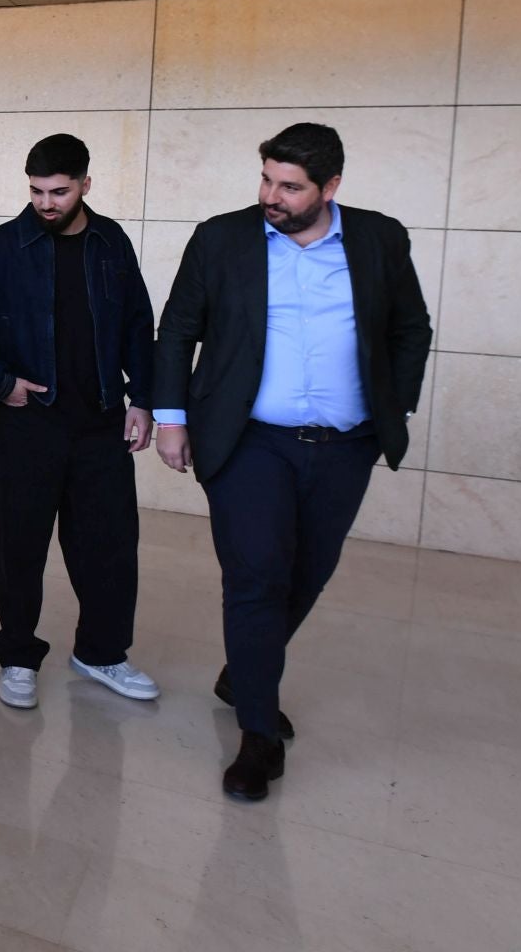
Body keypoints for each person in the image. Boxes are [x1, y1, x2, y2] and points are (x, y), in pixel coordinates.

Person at [152, 122, 431, 802]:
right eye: (266, 179)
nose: (272, 196)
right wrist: (170, 417)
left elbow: (410, 327)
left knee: (308, 573)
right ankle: (257, 736)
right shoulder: (221, 237)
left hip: (345, 445)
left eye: (290, 186)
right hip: (249, 441)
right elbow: (178, 327)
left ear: (330, 187)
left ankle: (241, 672)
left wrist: (393, 409)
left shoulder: (378, 238)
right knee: (255, 578)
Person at [0, 133, 159, 711]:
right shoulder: (0, 248)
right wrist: (0, 383)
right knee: (18, 546)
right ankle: (18, 656)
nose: (46, 203)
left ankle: (102, 653)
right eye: (37, 191)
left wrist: (143, 399)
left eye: (59, 192)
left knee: (110, 547)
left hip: (101, 426)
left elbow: (140, 326)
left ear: (86, 185)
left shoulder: (111, 243)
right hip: (27, 426)